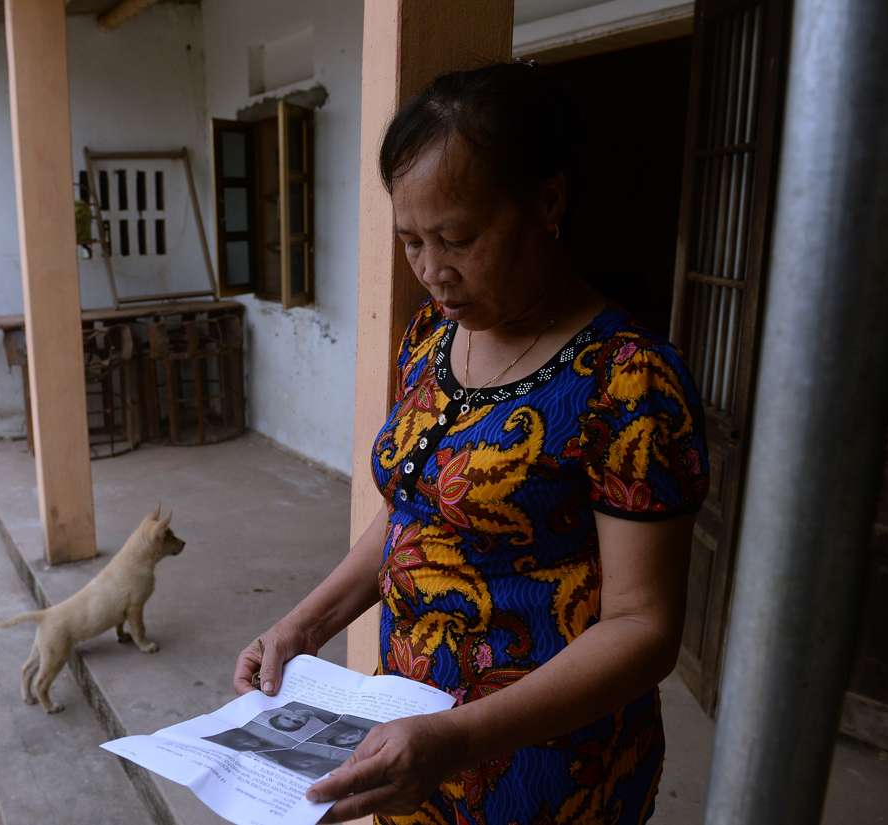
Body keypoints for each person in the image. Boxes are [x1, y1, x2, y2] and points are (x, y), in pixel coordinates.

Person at [233, 59, 708, 825]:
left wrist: (458, 738)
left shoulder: (627, 380)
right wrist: (305, 623)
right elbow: (414, 512)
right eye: (412, 242)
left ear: (548, 204)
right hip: (406, 744)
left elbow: (643, 626)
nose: (433, 271)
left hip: (544, 769)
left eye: (457, 238)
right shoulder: (432, 337)